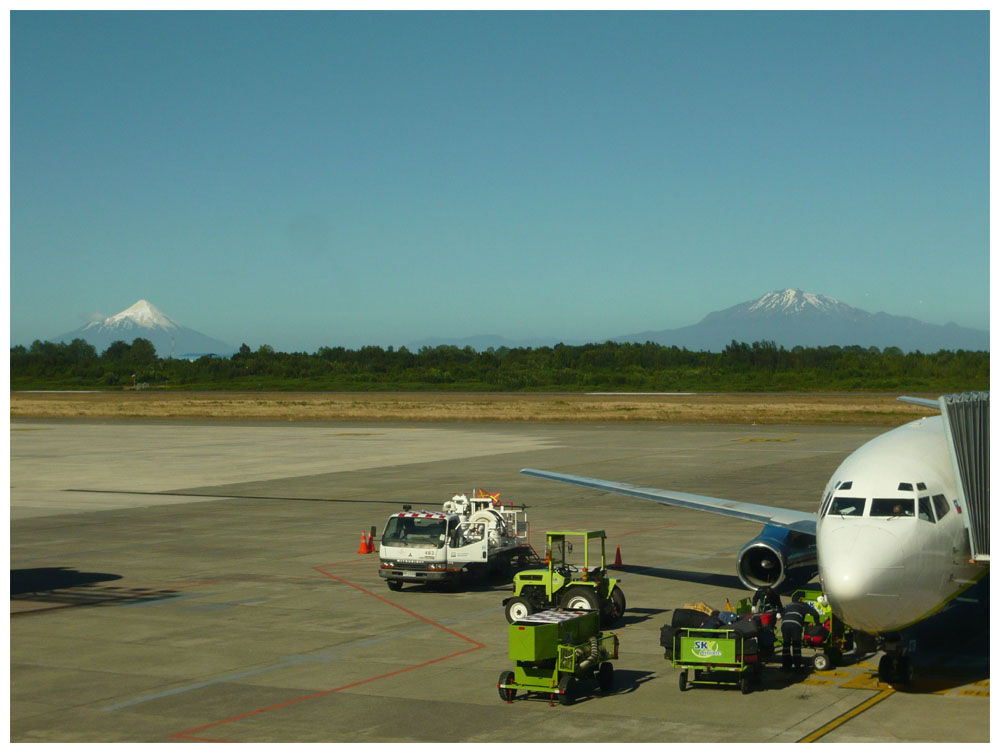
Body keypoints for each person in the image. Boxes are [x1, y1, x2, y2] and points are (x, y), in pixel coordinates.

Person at [781, 594, 821, 671]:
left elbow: (780, 612)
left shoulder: (788, 605)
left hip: (784, 624)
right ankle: (797, 666)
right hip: (795, 625)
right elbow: (815, 613)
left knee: (786, 645)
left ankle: (786, 666)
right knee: (796, 645)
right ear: (800, 600)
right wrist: (817, 624)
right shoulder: (803, 605)